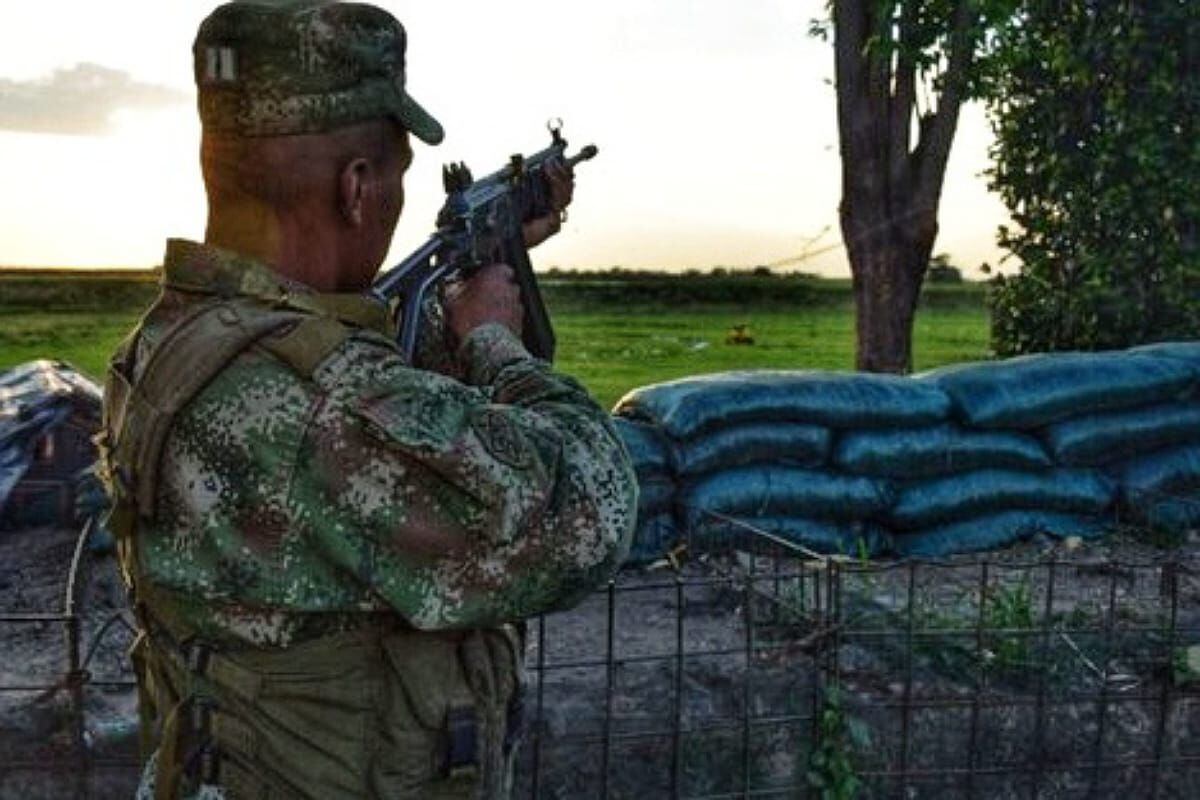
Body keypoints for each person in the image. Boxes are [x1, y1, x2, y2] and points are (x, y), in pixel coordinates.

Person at [96, 2, 637, 798]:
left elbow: (368, 427)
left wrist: (480, 278)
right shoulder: (325, 404)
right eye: (397, 178)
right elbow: (588, 510)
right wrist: (495, 342)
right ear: (356, 187)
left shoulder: (172, 341)